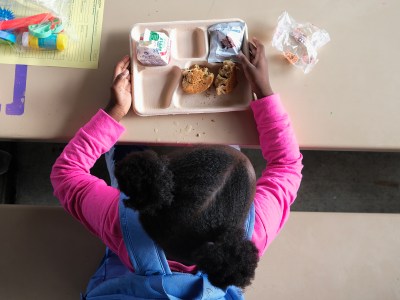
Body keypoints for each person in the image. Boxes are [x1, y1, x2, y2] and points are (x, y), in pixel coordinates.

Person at [50, 37, 303, 298]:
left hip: (126, 270)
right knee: (225, 133)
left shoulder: (121, 222)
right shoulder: (253, 234)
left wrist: (114, 111)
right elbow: (288, 165)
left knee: (128, 151)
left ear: (158, 182)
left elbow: (66, 174)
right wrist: (264, 91)